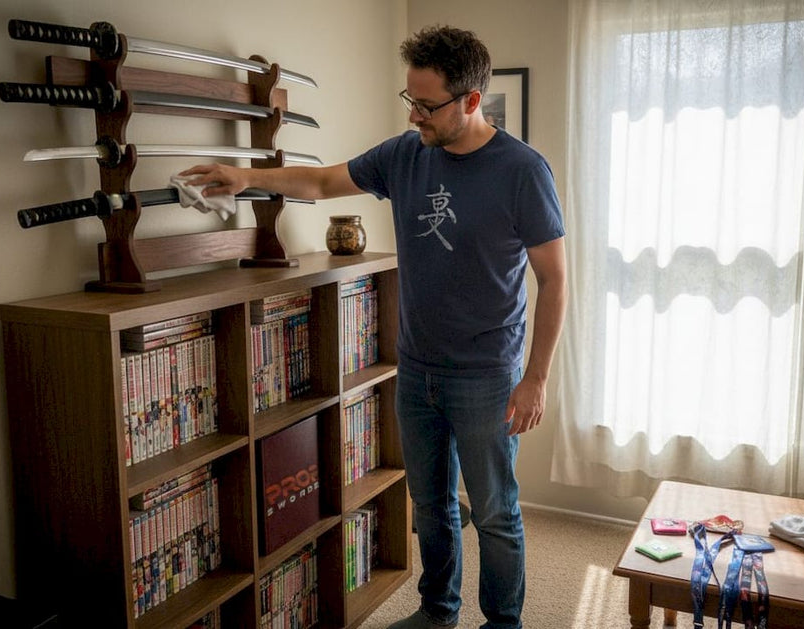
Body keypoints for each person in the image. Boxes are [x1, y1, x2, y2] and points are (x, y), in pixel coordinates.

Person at [180, 25, 566, 629]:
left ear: (471, 100)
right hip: (416, 368)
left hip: (488, 375)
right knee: (430, 506)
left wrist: (536, 378)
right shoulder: (404, 155)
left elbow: (555, 280)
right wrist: (246, 177)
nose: (415, 115)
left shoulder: (522, 171)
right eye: (408, 99)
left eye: (427, 104)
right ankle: (438, 612)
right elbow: (321, 181)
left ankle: (503, 622)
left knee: (494, 512)